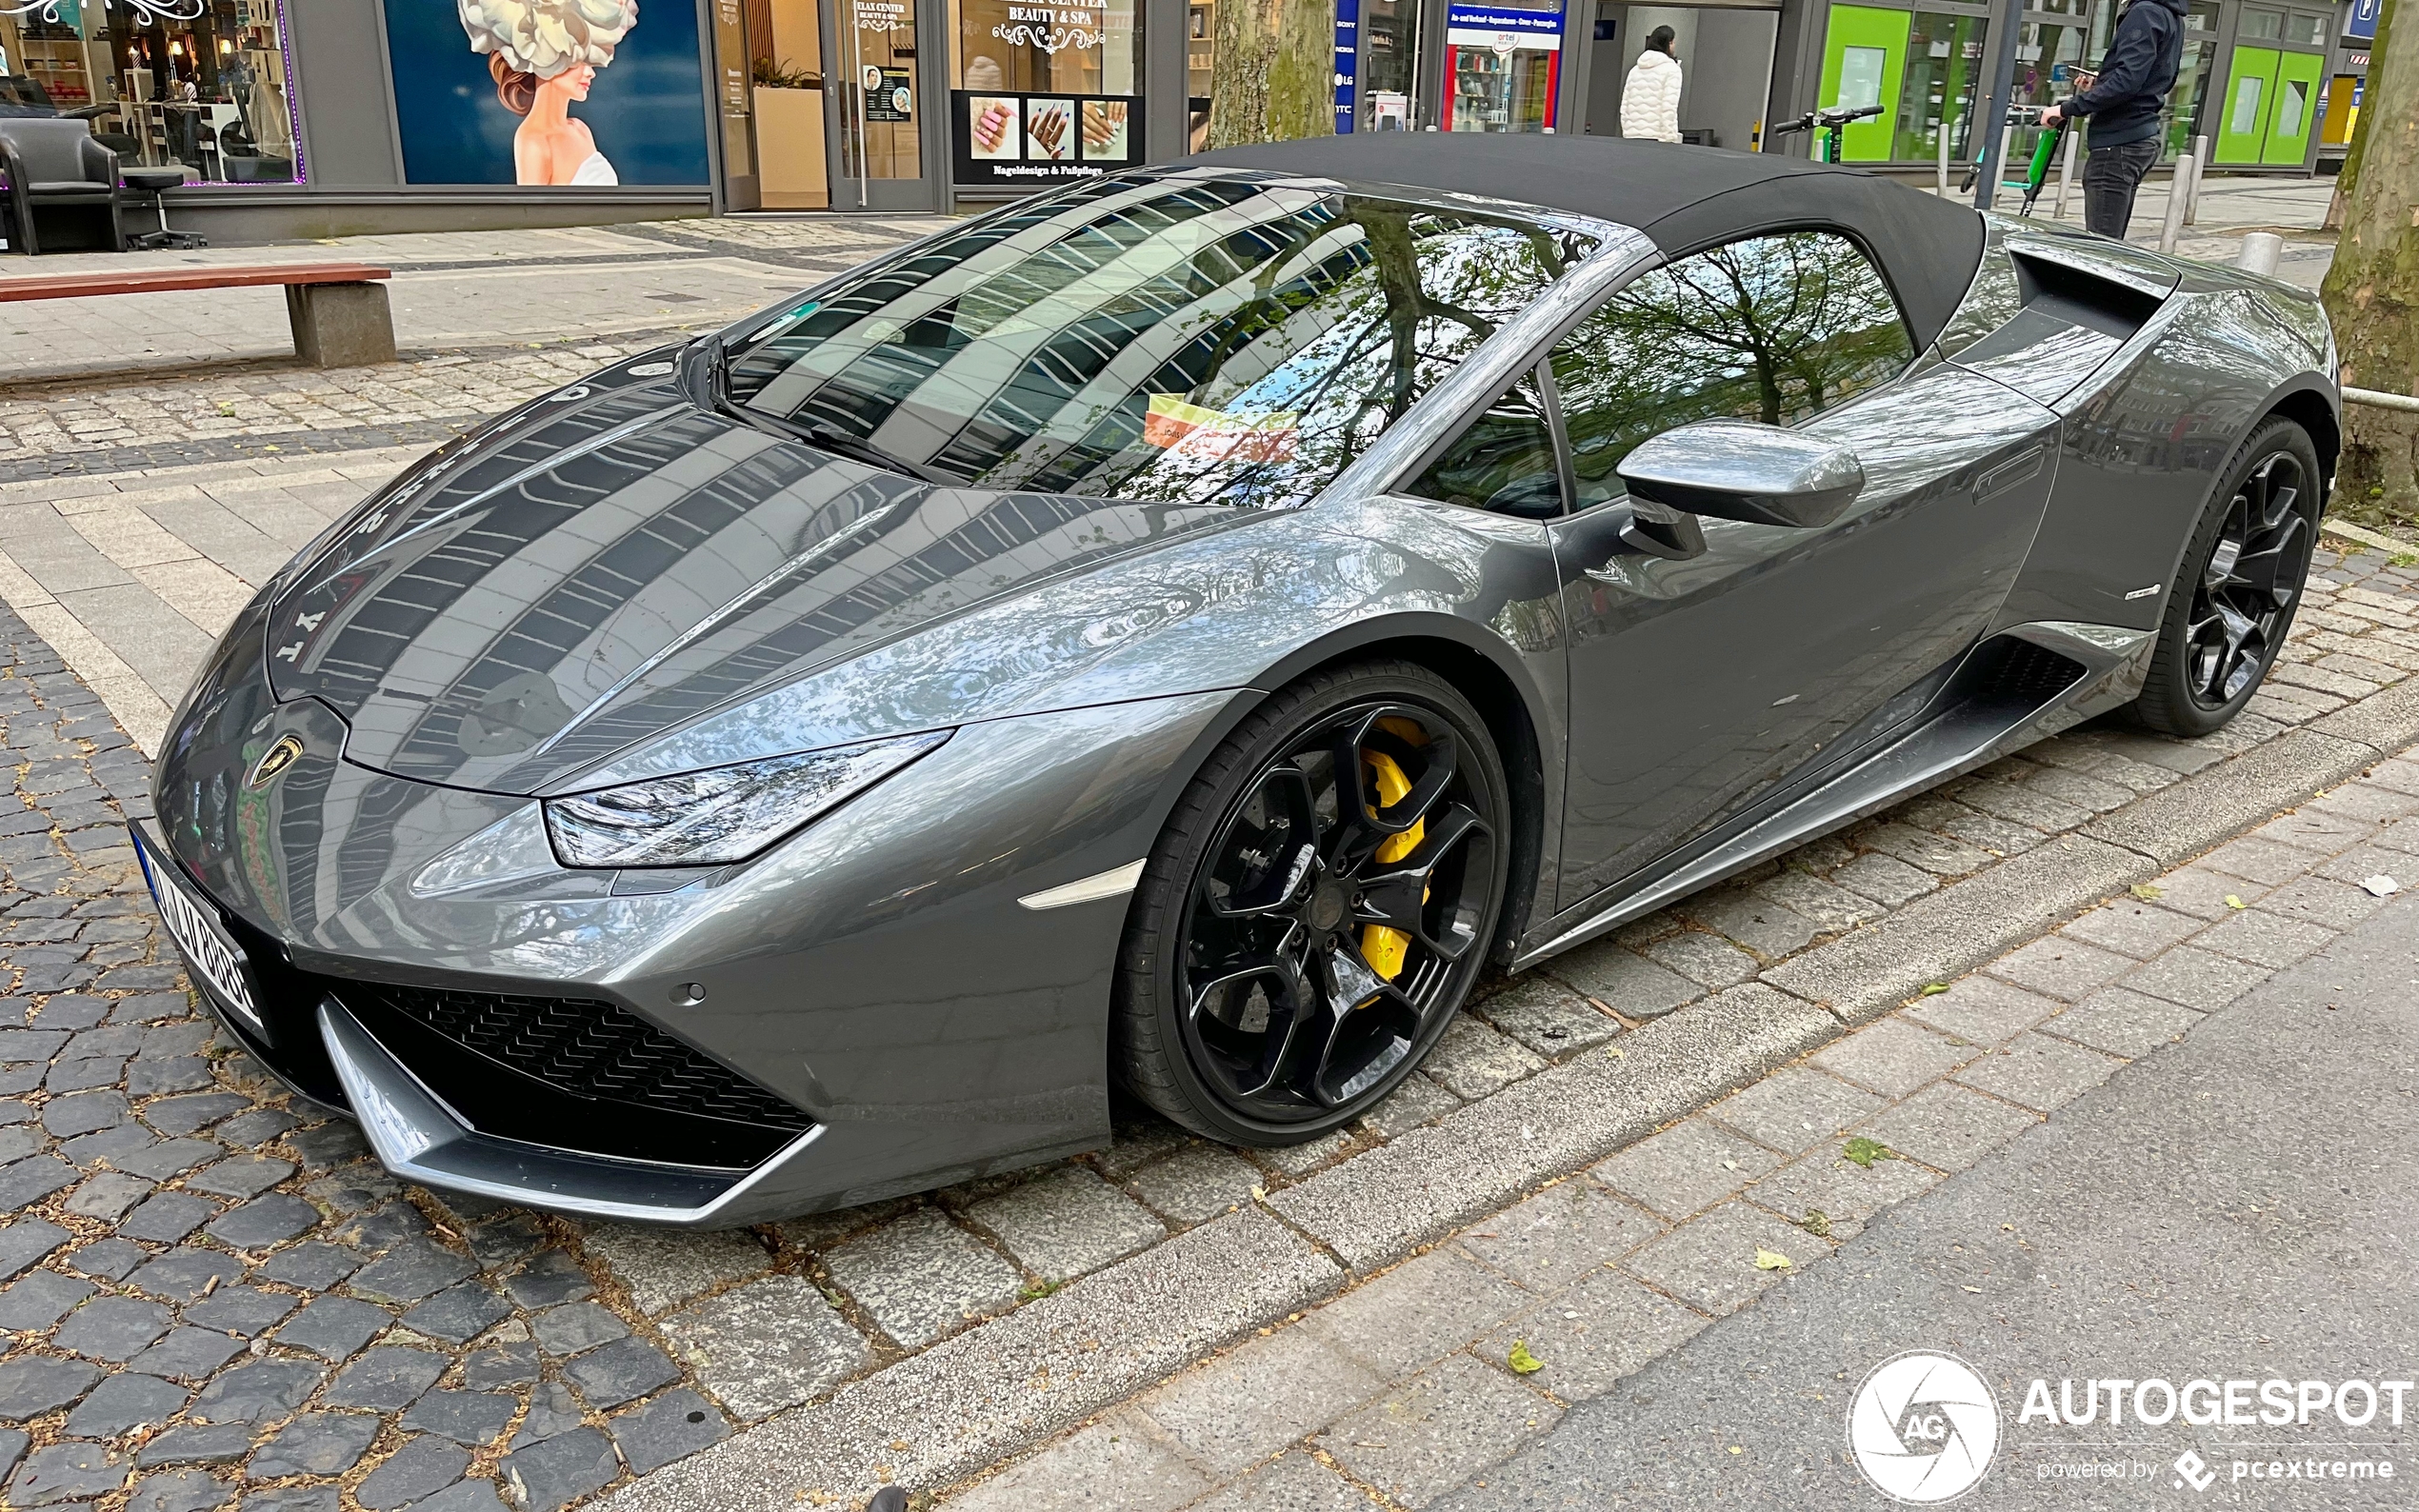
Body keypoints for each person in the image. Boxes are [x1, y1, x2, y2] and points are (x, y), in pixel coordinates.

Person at [2040, 0, 2188, 239]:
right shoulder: (2170, 15)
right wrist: (2103, 82)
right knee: (2110, 241)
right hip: (2140, 134)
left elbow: (2127, 82)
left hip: (2119, 140)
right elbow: (2161, 77)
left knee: (2102, 247)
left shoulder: (2145, 12)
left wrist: (2066, 109)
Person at [1620, 27, 1683, 144]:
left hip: (1631, 136)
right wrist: (1669, 137)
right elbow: (1669, 106)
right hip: (1657, 137)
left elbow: (1624, 106)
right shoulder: (1672, 69)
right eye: (1673, 42)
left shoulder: (1635, 70)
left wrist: (1627, 130)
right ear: (1668, 43)